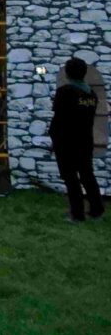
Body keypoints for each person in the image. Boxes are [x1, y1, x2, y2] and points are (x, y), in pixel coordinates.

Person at [50, 58, 105, 222]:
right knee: (87, 175)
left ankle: (77, 214)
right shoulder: (91, 94)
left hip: (66, 140)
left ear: (67, 73)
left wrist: (54, 136)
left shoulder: (65, 92)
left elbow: (58, 115)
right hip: (85, 139)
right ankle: (97, 210)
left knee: (70, 177)